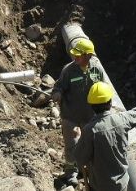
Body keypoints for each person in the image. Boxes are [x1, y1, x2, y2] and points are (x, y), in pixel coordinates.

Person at [74, 82, 136, 191]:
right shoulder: (121, 120)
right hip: (121, 185)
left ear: (91, 105)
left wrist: (79, 139)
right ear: (110, 102)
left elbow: (80, 158)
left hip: (100, 186)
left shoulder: (89, 130)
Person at [51, 39, 108, 187]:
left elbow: (104, 91)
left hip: (90, 117)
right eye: (74, 55)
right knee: (72, 145)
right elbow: (58, 86)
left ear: (89, 55)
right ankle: (71, 173)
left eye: (79, 55)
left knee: (91, 146)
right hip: (70, 115)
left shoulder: (97, 70)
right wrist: (57, 93)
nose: (75, 58)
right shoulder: (68, 70)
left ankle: (90, 172)